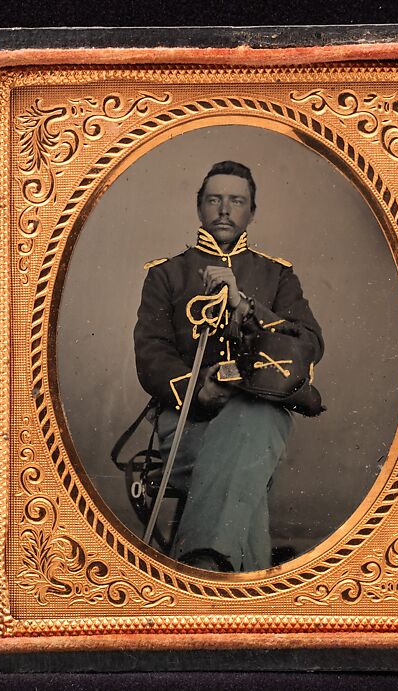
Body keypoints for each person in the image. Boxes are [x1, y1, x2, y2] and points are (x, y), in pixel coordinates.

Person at [134, 160, 324, 573]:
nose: (224, 210)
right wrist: (198, 388)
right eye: (214, 200)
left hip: (257, 418)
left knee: (252, 416)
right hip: (187, 424)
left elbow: (307, 343)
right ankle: (245, 587)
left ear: (251, 211)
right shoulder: (165, 275)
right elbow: (151, 355)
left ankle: (199, 564)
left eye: (236, 201)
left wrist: (244, 305)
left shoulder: (277, 275)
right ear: (199, 207)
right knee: (245, 469)